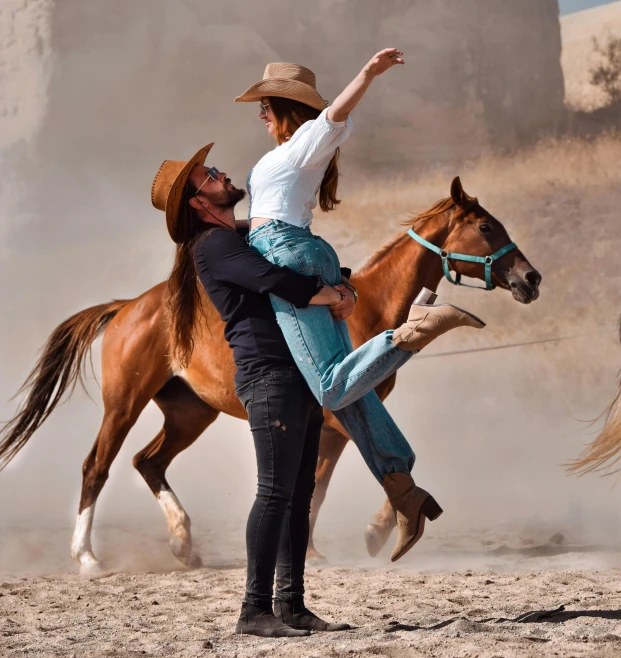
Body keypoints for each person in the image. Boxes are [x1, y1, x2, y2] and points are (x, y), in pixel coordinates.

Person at [235, 50, 485, 561]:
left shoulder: (308, 139)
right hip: (296, 247)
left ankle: (411, 330)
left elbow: (335, 115)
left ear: (286, 107)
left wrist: (367, 74)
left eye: (265, 105)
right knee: (346, 387)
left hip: (289, 252)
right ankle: (403, 491)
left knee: (329, 386)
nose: (259, 114)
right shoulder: (290, 151)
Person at [151, 145, 352, 637]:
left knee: (297, 493)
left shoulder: (239, 236)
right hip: (268, 376)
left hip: (296, 373)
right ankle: (253, 610)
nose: (222, 173)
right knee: (275, 492)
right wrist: (327, 294)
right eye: (209, 176)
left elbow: (289, 254)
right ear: (199, 203)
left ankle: (292, 606)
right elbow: (270, 278)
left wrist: (340, 281)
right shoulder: (213, 247)